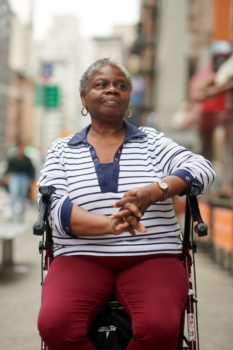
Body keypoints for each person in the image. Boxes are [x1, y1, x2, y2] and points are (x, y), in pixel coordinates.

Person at [37, 58, 215, 350]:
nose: (112, 90)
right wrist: (112, 224)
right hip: (81, 256)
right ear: (84, 97)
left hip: (153, 256)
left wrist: (156, 191)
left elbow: (203, 169)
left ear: (128, 98)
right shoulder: (62, 150)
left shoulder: (153, 142)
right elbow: (56, 209)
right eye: (101, 84)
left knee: (159, 328)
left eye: (121, 86)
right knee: (55, 325)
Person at [4, 144, 35, 220]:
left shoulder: (27, 159)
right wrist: (6, 176)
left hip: (24, 178)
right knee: (13, 195)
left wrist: (32, 179)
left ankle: (21, 215)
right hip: (15, 177)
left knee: (23, 196)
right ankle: (12, 213)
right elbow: (8, 168)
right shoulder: (13, 158)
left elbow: (31, 170)